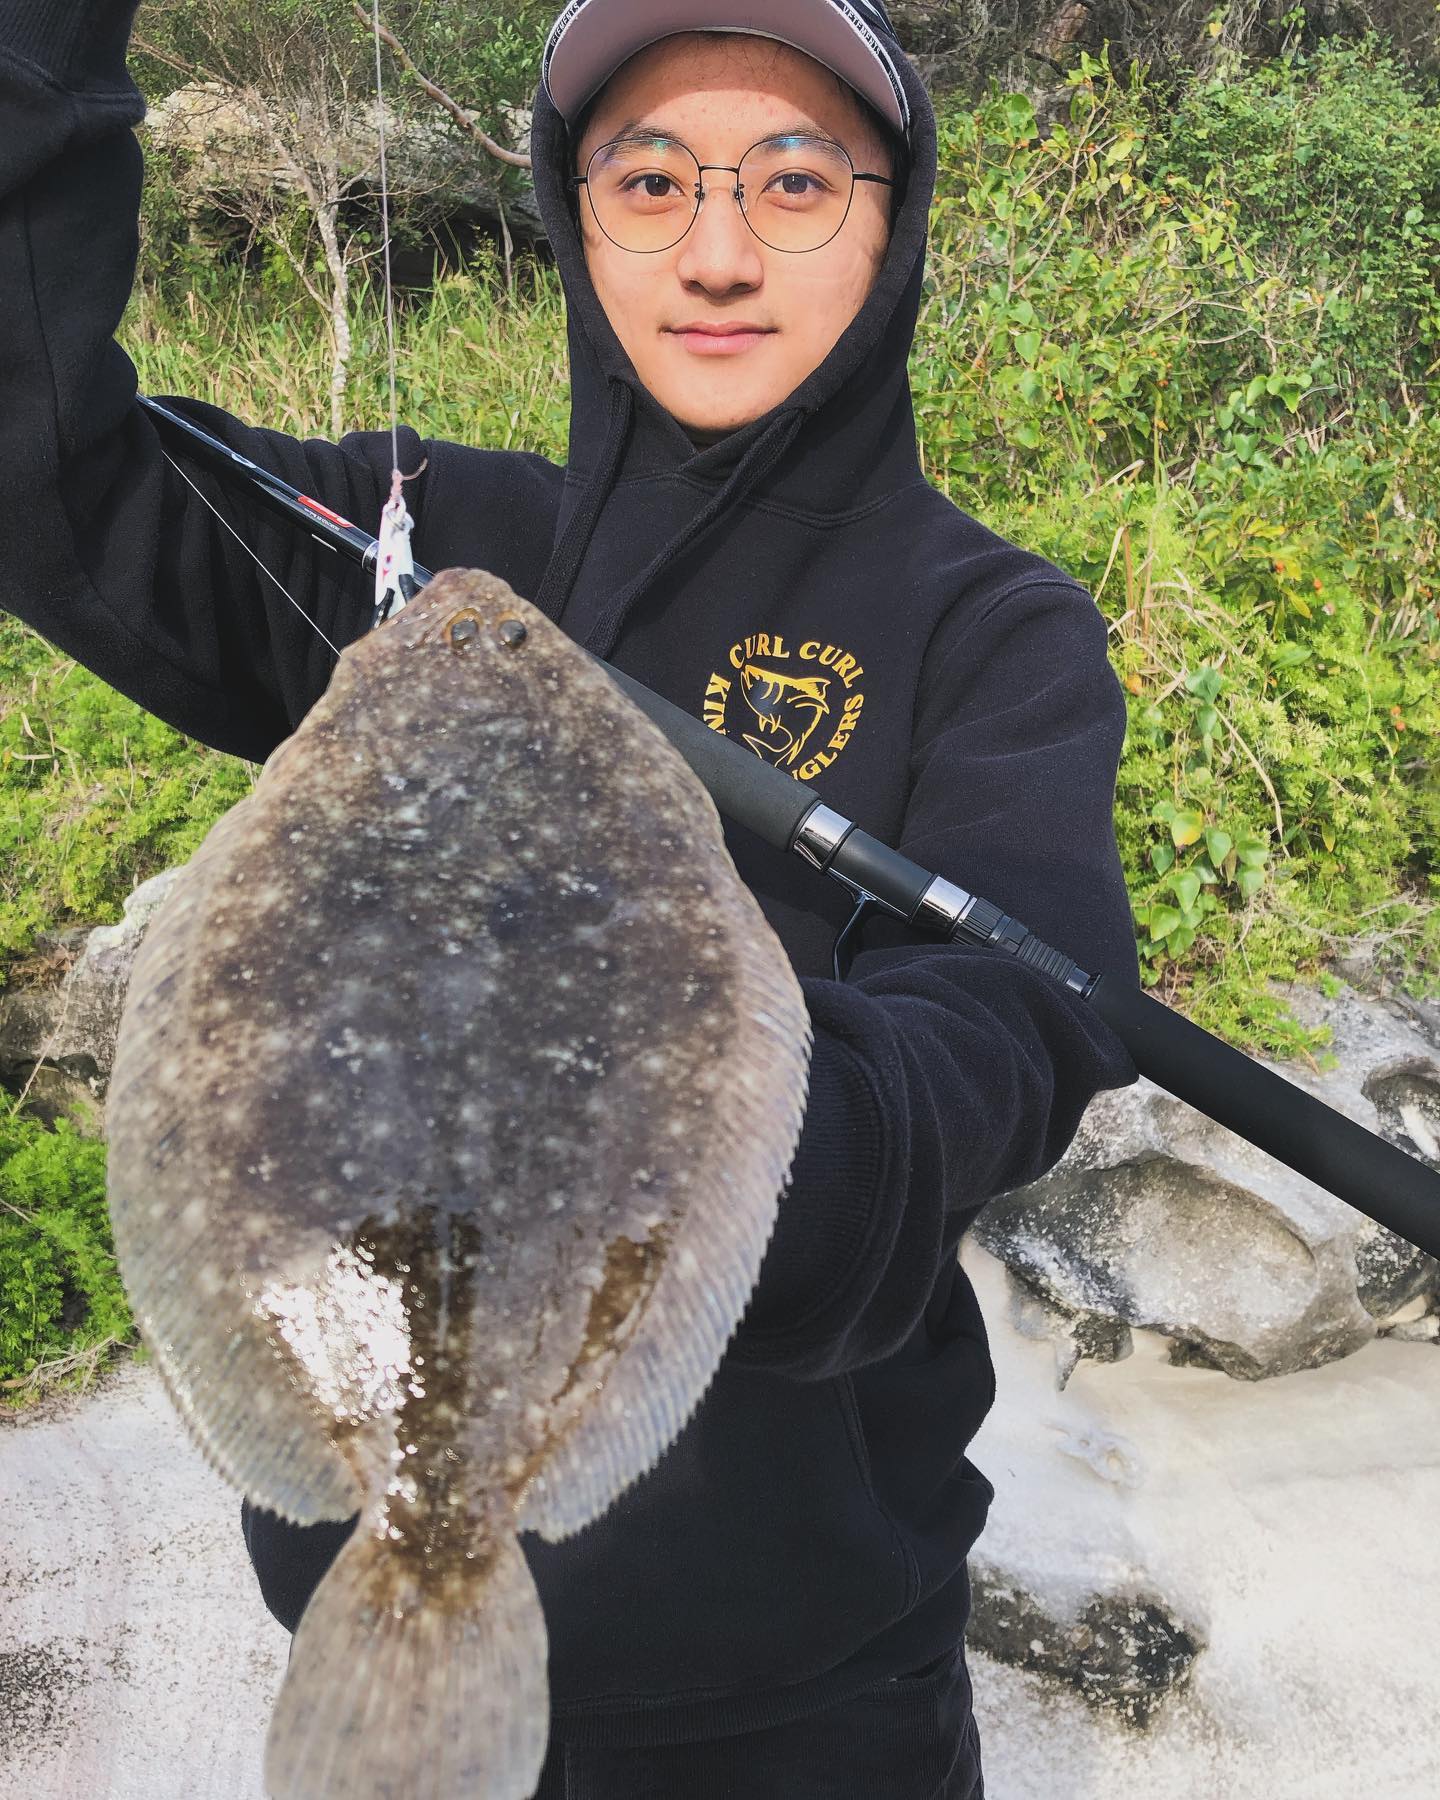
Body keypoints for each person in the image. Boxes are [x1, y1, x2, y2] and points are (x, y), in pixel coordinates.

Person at [0, 1, 1142, 1794]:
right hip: (353, 1588)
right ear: (570, 207)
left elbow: (1016, 1024)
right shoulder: (421, 539)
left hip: (806, 1676)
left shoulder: (995, 630)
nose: (714, 249)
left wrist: (721, 1141)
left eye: (791, 182)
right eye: (650, 179)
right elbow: (49, 470)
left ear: (890, 214)